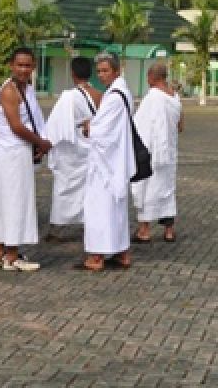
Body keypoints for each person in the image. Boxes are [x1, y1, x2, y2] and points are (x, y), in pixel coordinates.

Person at [0, 48, 50, 272]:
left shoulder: (27, 89)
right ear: (11, 66)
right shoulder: (9, 91)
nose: (24, 70)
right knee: (14, 203)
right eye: (20, 65)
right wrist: (41, 143)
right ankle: (12, 256)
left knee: (7, 202)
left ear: (33, 67)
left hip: (19, 152)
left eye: (28, 65)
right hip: (11, 154)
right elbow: (16, 126)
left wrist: (37, 143)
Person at [80, 53, 135, 272]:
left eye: (106, 71)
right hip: (115, 160)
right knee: (116, 208)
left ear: (116, 71)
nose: (102, 75)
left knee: (99, 206)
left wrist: (89, 127)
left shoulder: (114, 96)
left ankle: (97, 256)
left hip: (107, 163)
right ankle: (121, 252)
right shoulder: (122, 92)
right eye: (99, 71)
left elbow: (103, 132)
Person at [43, 57, 101, 241]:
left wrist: (45, 145)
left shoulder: (68, 96)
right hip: (90, 146)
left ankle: (57, 228)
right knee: (89, 188)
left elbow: (55, 126)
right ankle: (89, 223)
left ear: (73, 74)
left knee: (64, 187)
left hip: (71, 149)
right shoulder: (100, 95)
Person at [132, 61, 184, 243]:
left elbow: (138, 124)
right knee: (167, 190)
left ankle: (144, 230)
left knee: (147, 188)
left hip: (152, 152)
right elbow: (180, 126)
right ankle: (169, 231)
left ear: (153, 77)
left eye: (148, 76)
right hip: (169, 153)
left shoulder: (153, 97)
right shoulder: (175, 97)